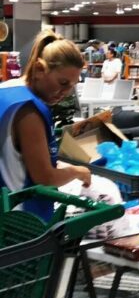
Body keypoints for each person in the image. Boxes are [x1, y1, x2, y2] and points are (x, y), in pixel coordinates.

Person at [0, 30, 91, 220]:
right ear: (40, 69)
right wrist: (77, 172)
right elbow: (44, 178)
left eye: (72, 86)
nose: (66, 92)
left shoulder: (6, 90)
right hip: (20, 225)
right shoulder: (30, 110)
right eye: (63, 82)